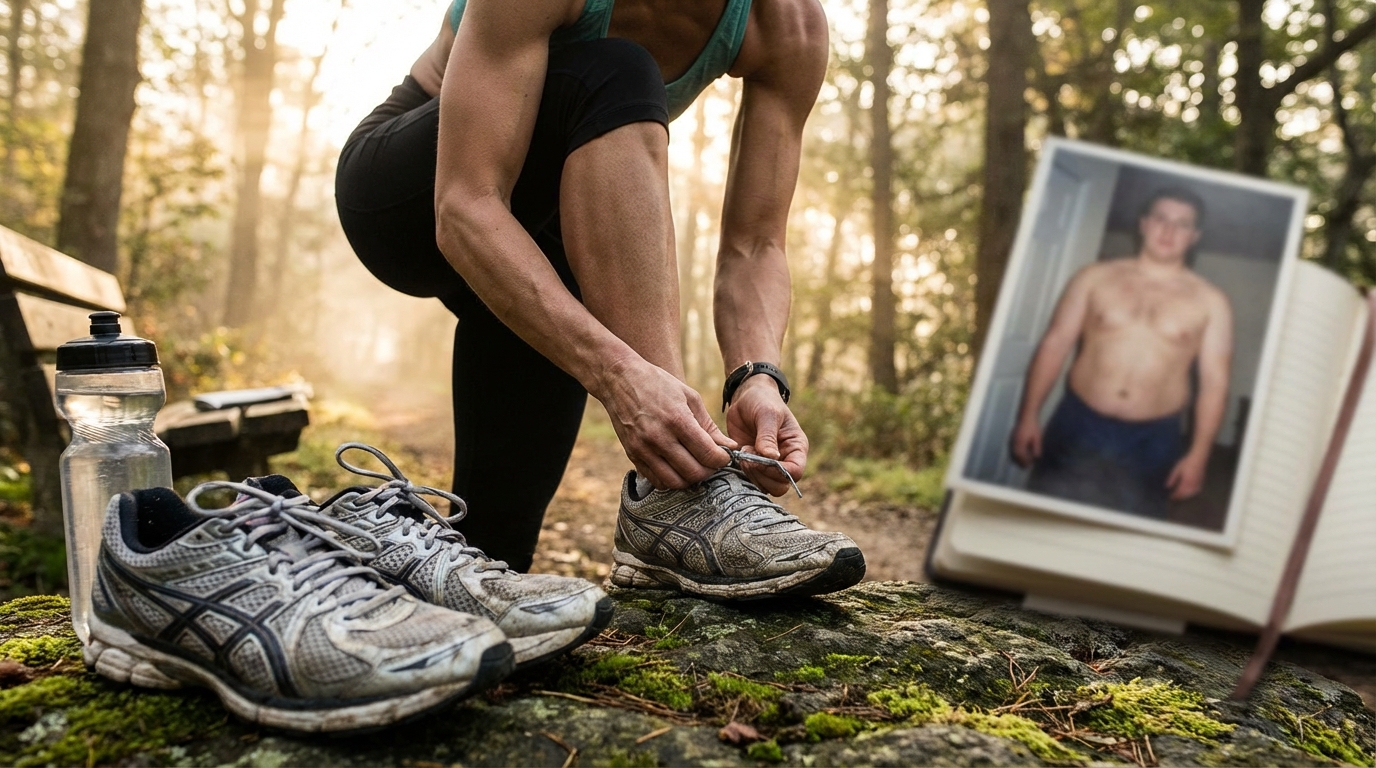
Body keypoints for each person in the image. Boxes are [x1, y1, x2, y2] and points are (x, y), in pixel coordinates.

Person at [334, 0, 864, 597]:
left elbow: (756, 245)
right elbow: (465, 206)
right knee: (618, 70)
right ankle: (682, 493)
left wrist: (757, 377)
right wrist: (622, 377)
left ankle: (403, 597)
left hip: (545, 240)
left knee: (491, 554)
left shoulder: (786, 23)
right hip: (405, 194)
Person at [1009, 187, 1234, 519]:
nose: (1168, 231)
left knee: (1127, 536)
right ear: (1143, 223)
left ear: (1195, 236)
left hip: (1154, 440)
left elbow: (1215, 384)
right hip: (1077, 423)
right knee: (1045, 521)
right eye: (1160, 218)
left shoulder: (1211, 302)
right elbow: (1055, 343)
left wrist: (1198, 456)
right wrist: (1028, 416)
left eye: (1182, 224)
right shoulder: (1093, 277)